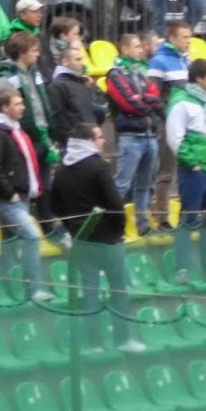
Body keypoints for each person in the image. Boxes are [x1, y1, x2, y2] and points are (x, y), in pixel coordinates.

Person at [49, 122, 140, 351]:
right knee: (118, 291)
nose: (104, 141)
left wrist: (72, 227)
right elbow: (115, 204)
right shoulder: (99, 167)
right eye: (99, 137)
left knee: (90, 294)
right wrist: (118, 228)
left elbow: (54, 205)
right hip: (108, 241)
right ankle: (123, 339)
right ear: (89, 141)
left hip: (81, 240)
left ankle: (94, 343)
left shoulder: (61, 169)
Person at [0, 79, 49, 301]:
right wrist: (9, 192)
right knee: (32, 236)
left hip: (21, 196)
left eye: (22, 103)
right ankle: (33, 288)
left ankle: (7, 288)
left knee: (10, 243)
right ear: (5, 107)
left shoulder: (14, 130)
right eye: (17, 104)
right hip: (8, 199)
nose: (23, 107)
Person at [0, 29, 65, 245]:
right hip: (23, 141)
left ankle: (49, 227)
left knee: (46, 186)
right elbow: (2, 111)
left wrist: (51, 132)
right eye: (34, 50)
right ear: (22, 52)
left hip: (42, 138)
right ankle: (17, 236)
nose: (38, 54)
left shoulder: (35, 73)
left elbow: (41, 105)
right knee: (24, 188)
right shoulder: (7, 79)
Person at [165, 59, 206, 281]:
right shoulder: (181, 102)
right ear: (199, 79)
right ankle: (182, 268)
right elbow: (175, 137)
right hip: (195, 170)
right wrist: (193, 163)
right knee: (189, 217)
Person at [104, 32, 162, 237]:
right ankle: (112, 226)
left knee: (145, 185)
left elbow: (157, 98)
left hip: (149, 135)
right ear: (125, 49)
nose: (141, 50)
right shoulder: (115, 74)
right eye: (136, 46)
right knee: (122, 184)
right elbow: (128, 103)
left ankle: (143, 225)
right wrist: (147, 104)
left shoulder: (142, 72)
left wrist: (143, 98)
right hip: (130, 137)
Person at [147, 20, 192, 230]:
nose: (189, 41)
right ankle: (162, 216)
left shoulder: (187, 61)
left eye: (190, 37)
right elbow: (152, 96)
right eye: (184, 37)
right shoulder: (158, 62)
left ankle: (187, 215)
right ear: (172, 38)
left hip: (188, 125)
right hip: (167, 125)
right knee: (165, 172)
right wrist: (168, 118)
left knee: (189, 169)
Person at [47, 42, 105, 148]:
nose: (82, 63)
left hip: (90, 140)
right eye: (77, 60)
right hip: (72, 143)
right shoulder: (57, 85)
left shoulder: (81, 82)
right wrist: (70, 136)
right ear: (65, 62)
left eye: (82, 59)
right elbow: (57, 116)